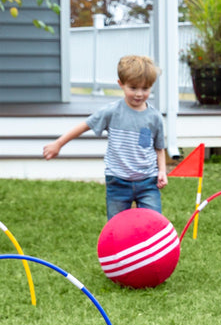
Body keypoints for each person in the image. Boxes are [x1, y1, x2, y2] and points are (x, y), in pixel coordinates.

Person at [43, 55, 168, 220]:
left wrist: (162, 171)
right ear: (121, 84)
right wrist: (58, 144)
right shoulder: (112, 112)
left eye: (145, 89)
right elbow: (84, 125)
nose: (139, 94)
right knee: (117, 226)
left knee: (154, 222)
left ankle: (150, 246)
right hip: (118, 182)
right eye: (133, 88)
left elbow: (159, 148)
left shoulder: (154, 117)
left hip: (147, 181)